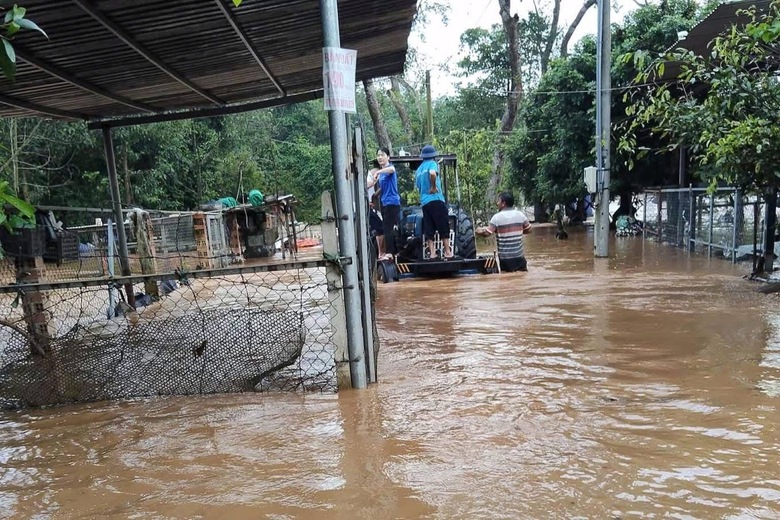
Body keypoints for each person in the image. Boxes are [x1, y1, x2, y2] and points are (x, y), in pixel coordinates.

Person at [475, 191, 532, 272]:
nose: (497, 203)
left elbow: (486, 233)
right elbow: (529, 229)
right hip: (520, 258)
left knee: (507, 282)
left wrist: (477, 230)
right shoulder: (521, 215)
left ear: (503, 203)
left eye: (498, 201)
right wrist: (518, 231)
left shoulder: (497, 218)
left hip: (506, 260)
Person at [415, 144, 453, 259]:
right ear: (433, 156)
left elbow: (418, 187)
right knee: (443, 226)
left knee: (429, 228)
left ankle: (432, 253)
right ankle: (447, 252)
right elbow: (432, 173)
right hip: (436, 199)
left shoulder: (418, 170)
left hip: (425, 203)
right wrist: (433, 186)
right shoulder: (432, 164)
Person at [373, 147, 399, 260]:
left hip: (392, 202)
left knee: (387, 228)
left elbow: (392, 170)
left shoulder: (389, 168)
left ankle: (390, 253)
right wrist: (375, 195)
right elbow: (383, 188)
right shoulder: (383, 173)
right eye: (378, 155)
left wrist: (378, 171)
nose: (380, 157)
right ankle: (393, 252)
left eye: (382, 155)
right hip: (384, 202)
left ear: (388, 157)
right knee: (386, 227)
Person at [365, 160, 385, 257]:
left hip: (369, 206)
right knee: (380, 228)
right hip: (365, 208)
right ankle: (381, 253)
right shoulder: (368, 177)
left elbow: (374, 194)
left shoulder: (370, 175)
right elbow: (365, 186)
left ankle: (380, 253)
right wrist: (375, 181)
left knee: (379, 227)